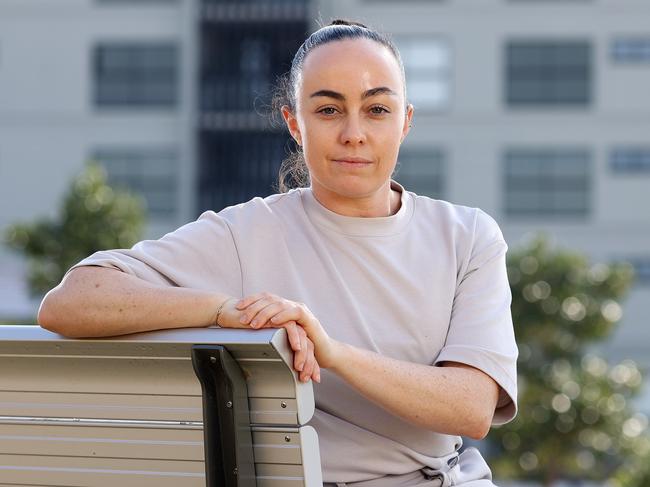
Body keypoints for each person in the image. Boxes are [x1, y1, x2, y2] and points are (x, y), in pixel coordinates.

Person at [38, 20, 518, 487]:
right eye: (328, 110)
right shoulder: (246, 232)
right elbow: (70, 300)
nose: (354, 133)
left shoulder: (467, 236)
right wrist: (224, 310)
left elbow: (472, 407)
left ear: (405, 121)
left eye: (376, 110)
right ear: (294, 122)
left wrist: (332, 352)